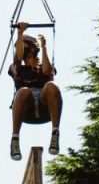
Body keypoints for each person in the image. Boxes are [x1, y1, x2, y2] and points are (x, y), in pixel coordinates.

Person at [8, 23, 63, 159]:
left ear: (32, 48)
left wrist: (44, 47)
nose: (21, 47)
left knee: (51, 86)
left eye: (24, 44)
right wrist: (20, 34)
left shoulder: (44, 65)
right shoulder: (17, 68)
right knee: (24, 91)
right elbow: (18, 57)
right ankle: (15, 139)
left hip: (45, 107)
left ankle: (55, 134)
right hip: (26, 108)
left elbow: (47, 71)